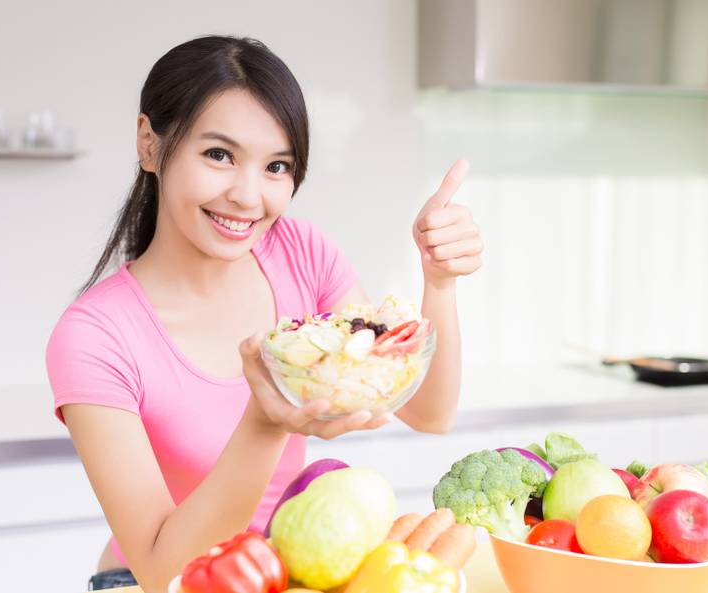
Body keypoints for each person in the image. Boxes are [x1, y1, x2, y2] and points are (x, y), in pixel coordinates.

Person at [45, 35, 483, 592]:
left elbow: (427, 411)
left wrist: (439, 280)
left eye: (277, 166)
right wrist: (265, 422)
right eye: (219, 155)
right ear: (150, 145)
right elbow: (163, 570)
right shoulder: (94, 337)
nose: (249, 197)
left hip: (283, 570)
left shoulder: (302, 254)